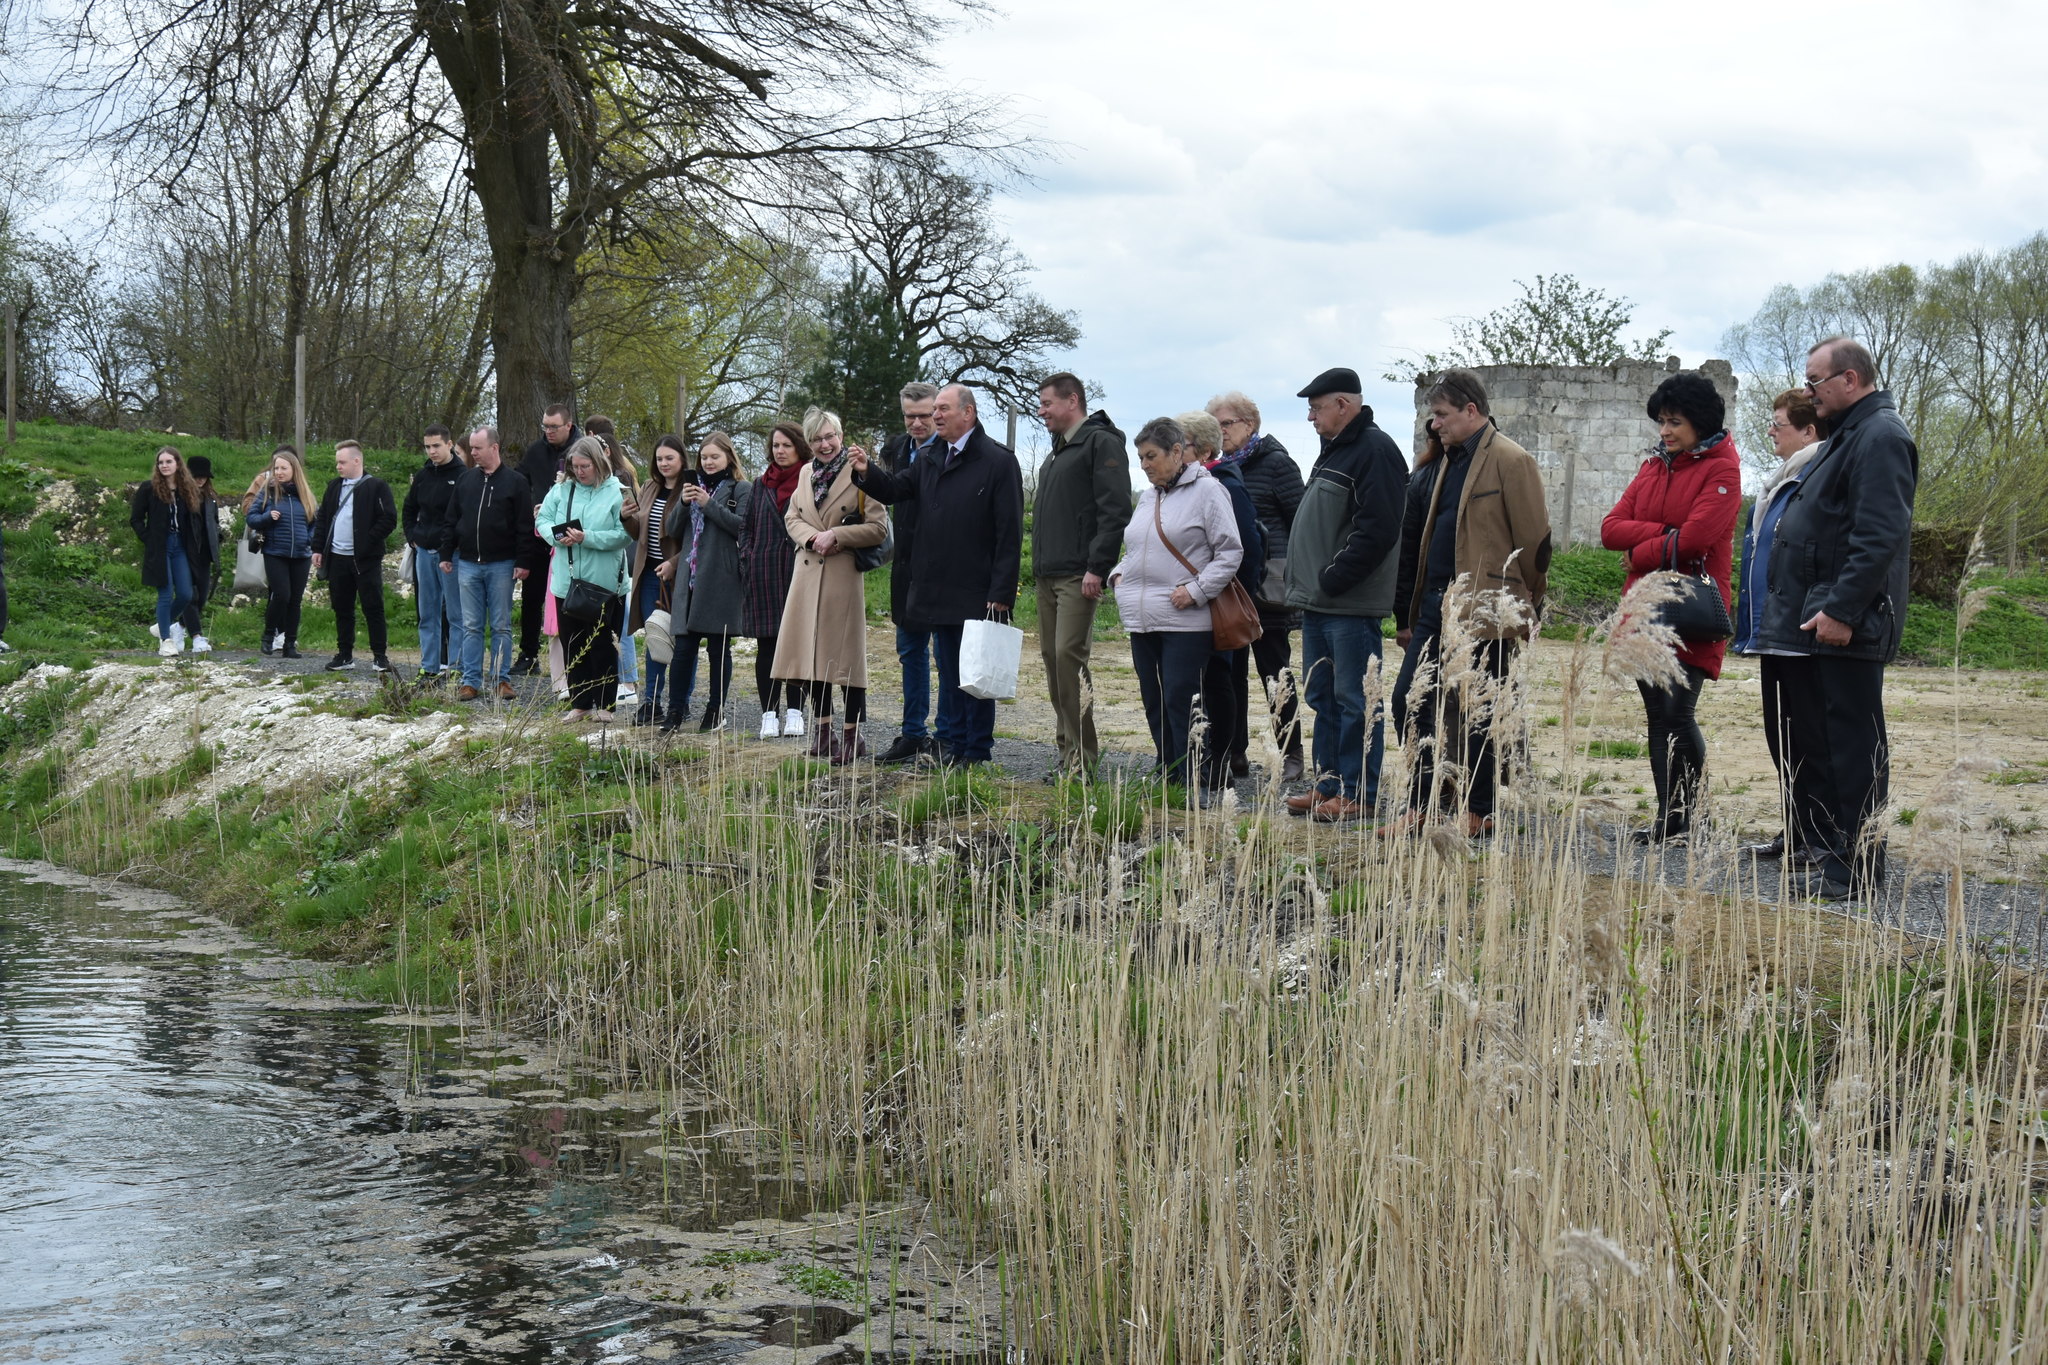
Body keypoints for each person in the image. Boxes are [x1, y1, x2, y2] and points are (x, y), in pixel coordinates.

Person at [1753, 336, 1917, 902]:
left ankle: (1860, 870)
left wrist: (1843, 609)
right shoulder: (1849, 435)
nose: (1808, 392)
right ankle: (1831, 857)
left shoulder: (1882, 437)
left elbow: (1878, 537)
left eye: (1815, 381)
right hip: (1817, 617)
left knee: (1852, 749)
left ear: (1850, 380)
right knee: (1821, 744)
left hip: (1849, 622)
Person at [1385, 369, 1552, 839]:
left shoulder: (1511, 459)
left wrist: (1520, 605)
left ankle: (1479, 811)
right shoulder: (1444, 463)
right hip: (1436, 605)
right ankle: (1423, 805)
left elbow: (1536, 543)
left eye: (1441, 414)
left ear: (1470, 411)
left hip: (1488, 610)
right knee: (1409, 702)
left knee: (1479, 710)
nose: (1434, 424)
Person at [1599, 371, 1744, 842]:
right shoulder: (1653, 465)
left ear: (1700, 423)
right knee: (1658, 716)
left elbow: (1699, 539)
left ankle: (1691, 817)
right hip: (1646, 609)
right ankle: (1670, 817)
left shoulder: (1722, 468)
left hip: (1692, 609)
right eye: (1661, 421)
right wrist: (1665, 537)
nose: (1664, 431)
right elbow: (1610, 528)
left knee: (1678, 712)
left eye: (1674, 421)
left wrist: (1640, 550)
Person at [850, 384, 1023, 768]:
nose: (936, 416)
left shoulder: (997, 461)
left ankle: (976, 751)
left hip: (978, 589)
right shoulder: (931, 456)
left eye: (943, 409)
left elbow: (1009, 532)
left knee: (975, 673)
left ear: (969, 413)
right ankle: (955, 745)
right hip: (937, 587)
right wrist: (866, 472)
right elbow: (897, 489)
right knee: (950, 673)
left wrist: (1002, 591)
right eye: (935, 410)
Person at [1280, 368, 1407, 823]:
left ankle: (1359, 794)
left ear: (1343, 405)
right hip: (1321, 604)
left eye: (1316, 407)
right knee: (1324, 698)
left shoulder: (1374, 451)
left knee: (1356, 700)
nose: (1311, 417)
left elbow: (1379, 528)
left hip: (1348, 604)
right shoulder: (1335, 451)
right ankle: (1329, 785)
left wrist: (1333, 577)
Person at [1107, 417, 1244, 804]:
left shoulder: (1209, 492)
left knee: (1181, 700)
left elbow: (1230, 551)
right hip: (1142, 616)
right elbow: (1136, 546)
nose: (1145, 464)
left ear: (1178, 452)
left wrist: (1197, 591)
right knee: (1154, 699)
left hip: (1185, 619)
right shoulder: (1150, 495)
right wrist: (1119, 572)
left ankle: (1193, 781)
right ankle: (1169, 774)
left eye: (1152, 456)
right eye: (1141, 457)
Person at [1731, 389, 1829, 861]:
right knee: (1781, 734)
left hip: (1800, 628)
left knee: (1807, 736)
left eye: (1779, 422)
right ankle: (1794, 830)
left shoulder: (1815, 476)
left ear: (1809, 430)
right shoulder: (1781, 479)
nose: (1771, 429)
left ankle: (1816, 836)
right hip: (1772, 628)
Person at [1031, 372, 1133, 780]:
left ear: (1071, 401)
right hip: (1046, 575)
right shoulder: (1058, 451)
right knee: (1053, 662)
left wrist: (1097, 566)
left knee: (1069, 660)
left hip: (1078, 575)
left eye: (1046, 403)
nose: (1041, 411)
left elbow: (1115, 511)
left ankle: (1082, 762)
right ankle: (1066, 754)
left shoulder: (1099, 442)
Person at [772, 409, 889, 764]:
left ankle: (853, 736)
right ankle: (823, 733)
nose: (824, 444)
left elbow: (879, 527)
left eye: (829, 436)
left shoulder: (860, 472)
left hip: (842, 575)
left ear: (840, 435)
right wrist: (812, 539)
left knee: (846, 662)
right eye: (817, 439)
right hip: (807, 576)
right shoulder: (806, 473)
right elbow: (792, 517)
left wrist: (836, 535)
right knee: (811, 659)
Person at [1206, 390, 1306, 781]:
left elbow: (1300, 520)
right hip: (1229, 587)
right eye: (1214, 425)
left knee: (1275, 673)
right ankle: (1234, 752)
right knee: (1229, 675)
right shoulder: (1214, 468)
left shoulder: (1277, 463)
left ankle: (1291, 752)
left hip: (1268, 589)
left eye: (1226, 423)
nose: (1221, 431)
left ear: (1249, 425)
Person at [1180, 409, 1266, 795]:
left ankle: (1223, 759)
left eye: (1178, 444)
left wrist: (1228, 598)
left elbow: (1245, 547)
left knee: (1220, 679)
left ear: (1200, 449)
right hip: (1193, 600)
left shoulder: (1224, 483)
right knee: (1202, 680)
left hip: (1216, 601)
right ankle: (1201, 757)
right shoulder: (1185, 485)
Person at [535, 436, 631, 721]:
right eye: (575, 466)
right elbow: (543, 519)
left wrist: (587, 538)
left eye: (585, 466)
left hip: (604, 584)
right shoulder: (562, 489)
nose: (579, 471)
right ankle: (580, 703)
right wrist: (558, 535)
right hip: (567, 581)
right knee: (572, 643)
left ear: (599, 463)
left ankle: (605, 705)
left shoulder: (618, 491)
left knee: (601, 644)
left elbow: (625, 535)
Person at [439, 425, 535, 702]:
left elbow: (524, 526)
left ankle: (501, 678)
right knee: (471, 625)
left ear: (494, 448)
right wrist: (446, 554)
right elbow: (451, 519)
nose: (473, 453)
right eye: (471, 448)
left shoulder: (516, 482)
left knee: (502, 624)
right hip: (468, 563)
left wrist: (523, 560)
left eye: (478, 448)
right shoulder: (465, 481)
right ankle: (470, 681)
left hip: (502, 565)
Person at [874, 382, 943, 765]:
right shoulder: (899, 449)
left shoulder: (951, 450)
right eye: (909, 416)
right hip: (905, 564)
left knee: (945, 656)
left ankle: (945, 734)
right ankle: (913, 733)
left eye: (924, 415)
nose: (917, 423)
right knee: (910, 651)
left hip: (943, 565)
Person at [670, 432, 752, 733]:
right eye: (704, 457)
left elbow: (743, 527)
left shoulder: (742, 488)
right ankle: (675, 710)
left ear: (728, 457)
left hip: (721, 581)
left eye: (714, 456)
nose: (708, 462)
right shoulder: (691, 487)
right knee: (683, 650)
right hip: (689, 582)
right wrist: (683, 501)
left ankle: (715, 710)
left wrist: (709, 505)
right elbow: (672, 528)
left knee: (719, 650)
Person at [741, 422, 809, 739]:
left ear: (799, 447)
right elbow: (748, 526)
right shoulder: (760, 484)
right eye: (775, 445)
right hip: (764, 572)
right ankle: (769, 714)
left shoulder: (810, 481)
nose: (779, 451)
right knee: (767, 646)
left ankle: (796, 712)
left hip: (800, 571)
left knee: (796, 646)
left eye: (786, 445)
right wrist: (748, 557)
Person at [311, 439, 400, 674]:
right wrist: (318, 548)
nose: (338, 467)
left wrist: (368, 540)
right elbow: (323, 520)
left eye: (342, 462)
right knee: (342, 608)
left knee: (373, 606)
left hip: (365, 559)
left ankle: (380, 656)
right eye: (337, 463)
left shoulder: (376, 486)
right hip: (337, 557)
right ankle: (344, 655)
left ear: (356, 461)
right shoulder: (333, 487)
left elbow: (389, 518)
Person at [628, 434, 691, 725]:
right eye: (659, 458)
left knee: (680, 641)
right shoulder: (650, 487)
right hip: (650, 572)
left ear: (682, 459)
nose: (664, 463)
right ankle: (651, 702)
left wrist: (675, 564)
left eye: (670, 458)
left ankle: (681, 702)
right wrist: (625, 517)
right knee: (654, 637)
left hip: (680, 575)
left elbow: (695, 538)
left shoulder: (689, 489)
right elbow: (638, 533)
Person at [131, 447, 215, 658]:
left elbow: (194, 521)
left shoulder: (186, 489)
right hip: (160, 546)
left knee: (186, 594)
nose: (165, 465)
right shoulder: (149, 488)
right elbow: (136, 519)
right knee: (166, 592)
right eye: (161, 462)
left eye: (169, 461)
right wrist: (149, 539)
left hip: (180, 547)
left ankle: (163, 624)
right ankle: (165, 640)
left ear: (178, 464)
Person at [515, 404, 579, 675]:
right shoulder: (535, 451)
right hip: (538, 536)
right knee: (531, 598)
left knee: (568, 599)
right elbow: (520, 478)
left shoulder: (581, 450)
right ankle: (528, 654)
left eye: (554, 427)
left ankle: (571, 656)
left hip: (569, 537)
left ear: (568, 425)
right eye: (545, 426)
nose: (548, 431)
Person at [404, 425, 467, 679]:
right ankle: (429, 667)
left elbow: (464, 516)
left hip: (451, 555)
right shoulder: (423, 475)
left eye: (436, 446)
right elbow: (408, 509)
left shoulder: (463, 475)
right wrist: (413, 538)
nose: (432, 451)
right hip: (424, 553)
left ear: (449, 444)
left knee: (456, 615)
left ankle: (456, 668)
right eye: (427, 446)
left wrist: (450, 545)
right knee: (427, 613)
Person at [243, 446, 317, 659]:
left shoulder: (305, 495)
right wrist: (267, 518)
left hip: (301, 554)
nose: (279, 472)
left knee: (295, 600)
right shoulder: (268, 491)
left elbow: (315, 521)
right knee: (281, 594)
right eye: (276, 468)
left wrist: (309, 539)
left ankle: (290, 644)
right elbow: (251, 517)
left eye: (283, 468)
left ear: (294, 469)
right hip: (275, 551)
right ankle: (268, 636)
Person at [178, 455, 223, 654]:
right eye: (197, 476)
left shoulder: (211, 497)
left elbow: (214, 522)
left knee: (202, 596)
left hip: (205, 553)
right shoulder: (179, 496)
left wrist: (218, 536)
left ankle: (178, 627)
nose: (200, 480)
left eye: (204, 476)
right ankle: (197, 637)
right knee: (190, 595)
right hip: (183, 551)